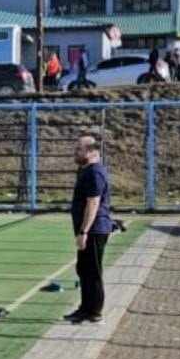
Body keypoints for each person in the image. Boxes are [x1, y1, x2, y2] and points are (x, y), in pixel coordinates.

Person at [67, 135, 112, 325]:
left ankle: (94, 311)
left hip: (93, 230)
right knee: (83, 270)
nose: (76, 152)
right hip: (87, 229)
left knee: (92, 271)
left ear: (92, 151)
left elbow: (93, 203)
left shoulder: (95, 172)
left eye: (80, 149)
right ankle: (85, 308)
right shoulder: (85, 171)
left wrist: (84, 231)